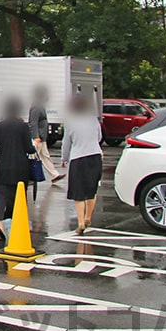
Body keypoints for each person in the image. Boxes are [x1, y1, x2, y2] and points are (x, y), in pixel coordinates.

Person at [0, 98, 36, 242]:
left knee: (1, 195)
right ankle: (14, 224)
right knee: (17, 197)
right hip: (20, 167)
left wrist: (0, 153)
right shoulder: (23, 127)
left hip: (2, 166)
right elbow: (29, 149)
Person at [62, 94, 103, 234]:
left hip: (78, 158)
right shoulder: (93, 120)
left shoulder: (71, 123)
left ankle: (80, 222)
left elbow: (66, 143)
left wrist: (64, 159)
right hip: (95, 156)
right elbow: (99, 137)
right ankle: (88, 217)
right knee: (91, 190)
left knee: (78, 192)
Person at [29, 86, 65, 182]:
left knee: (45, 156)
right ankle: (28, 176)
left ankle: (54, 175)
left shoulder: (39, 105)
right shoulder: (36, 107)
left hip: (41, 137)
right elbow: (33, 123)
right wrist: (35, 136)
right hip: (38, 138)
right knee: (32, 157)